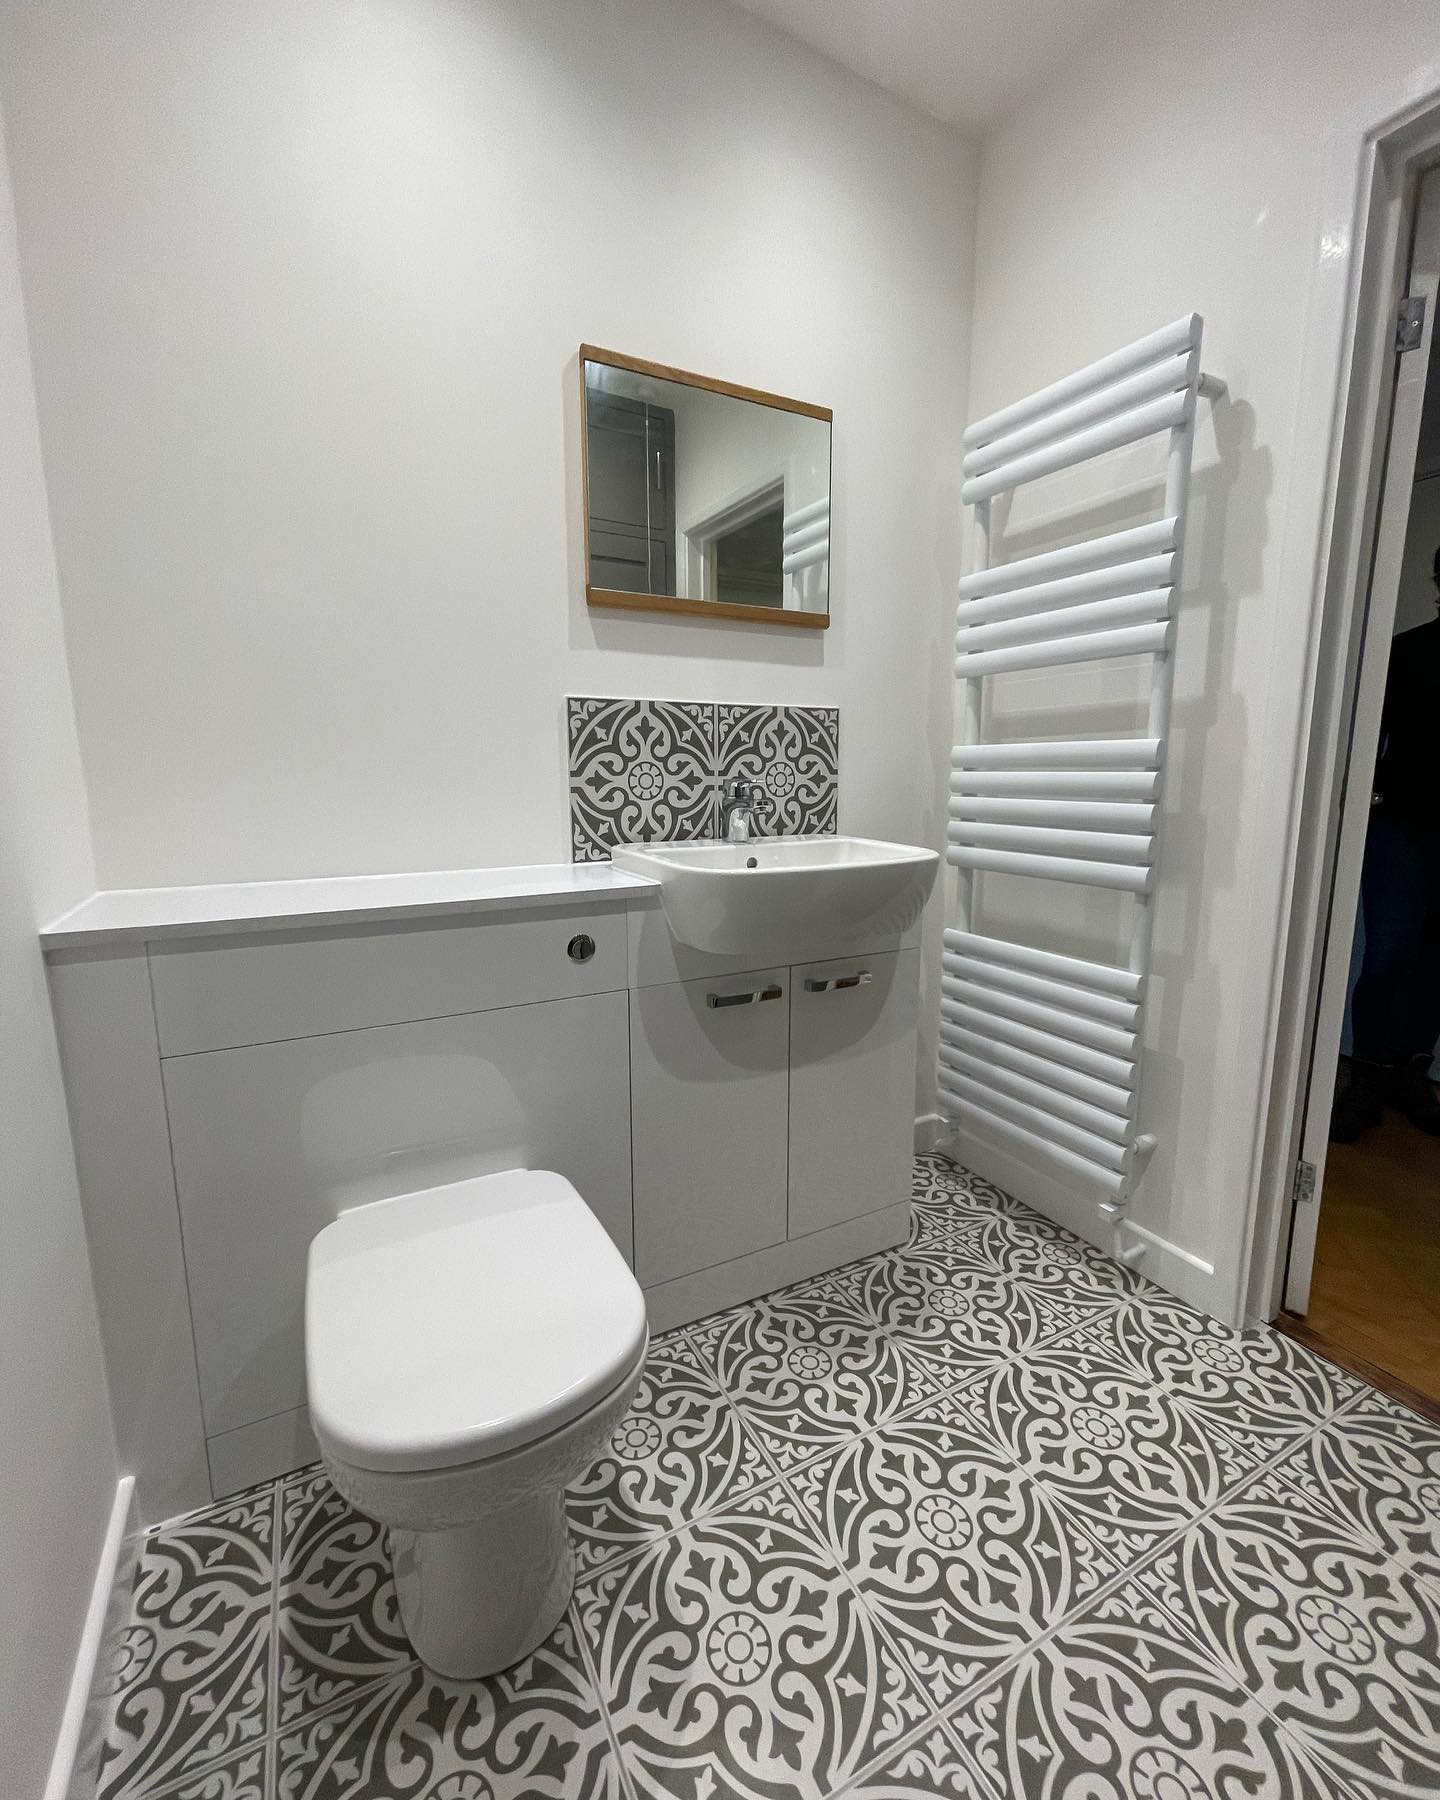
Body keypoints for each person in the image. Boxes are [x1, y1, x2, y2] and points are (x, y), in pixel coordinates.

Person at [1331, 541, 1440, 1141]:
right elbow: (1367, 738)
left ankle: (1409, 1071)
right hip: (1400, 828)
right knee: (1391, 954)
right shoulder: (1409, 653)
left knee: (1434, 963)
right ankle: (1368, 1074)